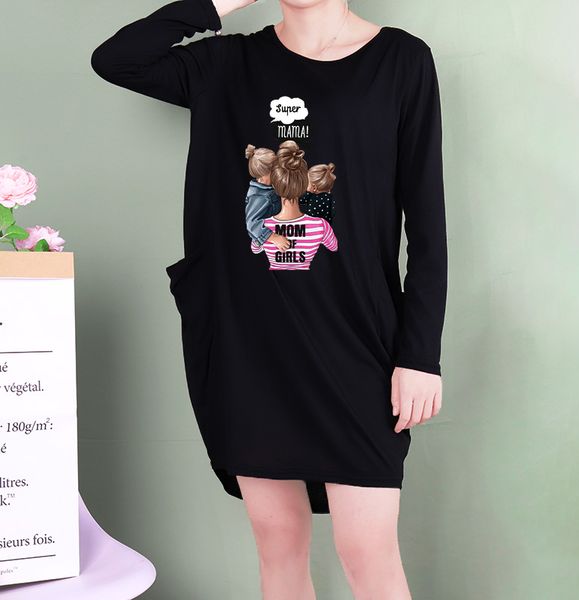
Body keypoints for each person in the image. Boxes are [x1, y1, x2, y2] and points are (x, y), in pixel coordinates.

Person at [91, 0, 448, 598]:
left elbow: (428, 223)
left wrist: (419, 354)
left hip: (358, 340)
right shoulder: (227, 64)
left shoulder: (400, 60)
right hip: (251, 342)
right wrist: (218, 3)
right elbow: (117, 59)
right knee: (277, 543)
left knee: (367, 550)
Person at [250, 140, 338, 270]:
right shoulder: (321, 226)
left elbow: (255, 249)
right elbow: (334, 247)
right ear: (304, 184)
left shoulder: (263, 227)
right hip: (309, 281)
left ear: (274, 185)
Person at [244, 143, 291, 250]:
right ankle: (257, 244)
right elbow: (252, 224)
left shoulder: (269, 187)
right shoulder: (259, 197)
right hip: (265, 237)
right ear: (264, 175)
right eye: (275, 171)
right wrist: (274, 238)